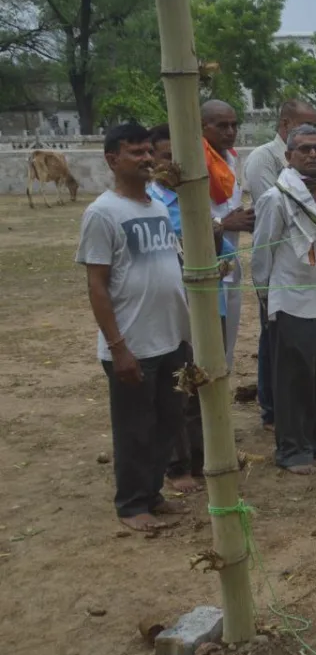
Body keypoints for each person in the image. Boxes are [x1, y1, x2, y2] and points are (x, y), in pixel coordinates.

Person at [76, 122, 191, 531]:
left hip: (170, 337)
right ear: (112, 159)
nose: (146, 159)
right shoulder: (102, 213)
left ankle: (152, 493)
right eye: (136, 153)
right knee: (134, 428)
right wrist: (118, 346)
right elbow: (97, 284)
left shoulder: (158, 207)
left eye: (148, 152)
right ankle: (131, 505)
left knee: (167, 422)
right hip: (132, 343)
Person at [252, 125, 316, 475]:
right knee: (294, 380)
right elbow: (261, 258)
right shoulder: (276, 198)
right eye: (304, 149)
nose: (312, 155)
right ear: (288, 156)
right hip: (292, 303)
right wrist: (267, 302)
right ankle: (292, 449)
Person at [147, 124, 235, 494]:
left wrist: (218, 237)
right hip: (173, 312)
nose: (174, 167)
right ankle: (177, 465)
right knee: (177, 389)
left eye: (182, 159)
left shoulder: (199, 200)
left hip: (208, 304)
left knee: (206, 381)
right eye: (167, 157)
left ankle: (203, 457)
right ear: (152, 159)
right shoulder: (150, 207)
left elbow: (227, 254)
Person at [242, 99, 316, 431]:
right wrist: (264, 285)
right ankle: (272, 408)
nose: (312, 144)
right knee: (274, 340)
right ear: (286, 124)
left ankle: (301, 408)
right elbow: (269, 214)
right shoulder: (264, 159)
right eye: (305, 126)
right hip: (280, 269)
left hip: (309, 275)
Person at [201, 99, 253, 374]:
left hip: (230, 261)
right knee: (207, 339)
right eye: (222, 125)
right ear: (201, 126)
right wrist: (225, 222)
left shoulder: (230, 158)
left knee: (228, 338)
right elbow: (185, 216)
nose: (230, 131)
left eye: (234, 125)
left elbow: (230, 210)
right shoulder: (194, 162)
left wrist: (244, 219)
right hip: (202, 266)